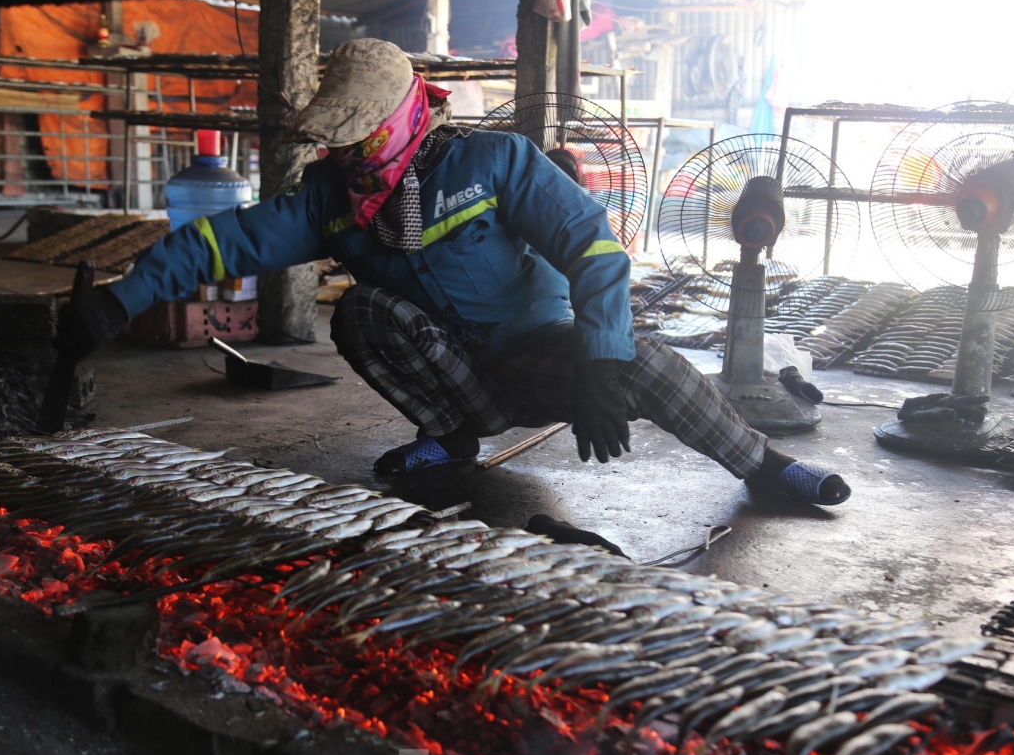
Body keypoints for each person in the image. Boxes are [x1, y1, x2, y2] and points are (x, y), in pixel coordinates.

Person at [57, 38, 850, 506]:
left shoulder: (495, 162)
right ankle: (451, 440)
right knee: (361, 310)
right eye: (337, 145)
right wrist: (123, 300)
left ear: (403, 119)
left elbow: (594, 247)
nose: (346, 157)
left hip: (542, 354)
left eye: (359, 140)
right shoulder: (329, 200)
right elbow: (219, 244)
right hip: (460, 374)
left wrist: (601, 364)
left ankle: (765, 467)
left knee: (642, 358)